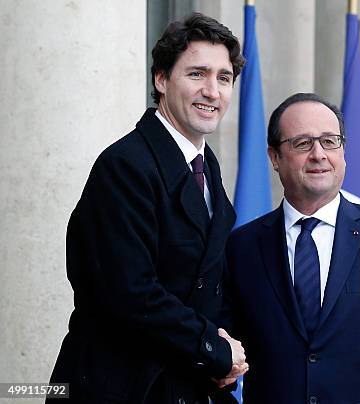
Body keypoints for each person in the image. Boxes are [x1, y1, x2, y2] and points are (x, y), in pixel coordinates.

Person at [48, 13, 248, 403]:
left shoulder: (207, 168)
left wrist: (225, 354)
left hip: (182, 383)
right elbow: (130, 291)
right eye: (196, 74)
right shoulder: (124, 165)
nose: (212, 90)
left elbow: (207, 283)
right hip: (120, 387)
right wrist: (214, 348)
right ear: (161, 80)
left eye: (223, 78)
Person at [223, 93, 360, 403]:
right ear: (274, 157)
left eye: (330, 141)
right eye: (302, 143)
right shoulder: (242, 246)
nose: (318, 154)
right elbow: (226, 352)